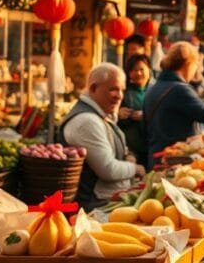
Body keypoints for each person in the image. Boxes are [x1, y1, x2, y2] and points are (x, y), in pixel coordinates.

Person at [60, 63, 143, 211]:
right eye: (113, 89)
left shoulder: (100, 115)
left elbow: (117, 150)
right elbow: (108, 169)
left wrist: (128, 155)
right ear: (93, 88)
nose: (119, 96)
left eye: (121, 90)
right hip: (96, 208)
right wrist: (135, 168)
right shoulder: (87, 121)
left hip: (108, 202)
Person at [145, 42, 204, 168]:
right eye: (197, 65)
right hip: (175, 160)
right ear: (188, 64)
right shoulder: (180, 89)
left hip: (157, 156)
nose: (197, 70)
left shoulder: (154, 87)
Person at [118, 54, 152, 166]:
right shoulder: (122, 93)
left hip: (152, 145)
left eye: (141, 69)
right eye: (133, 70)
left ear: (149, 70)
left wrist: (146, 116)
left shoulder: (155, 91)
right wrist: (118, 114)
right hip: (131, 149)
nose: (138, 73)